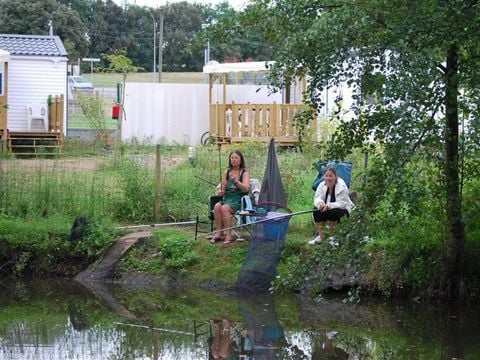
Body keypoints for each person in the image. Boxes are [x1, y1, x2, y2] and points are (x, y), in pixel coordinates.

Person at [211, 150, 250, 245]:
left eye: (236, 158)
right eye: (232, 158)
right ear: (230, 159)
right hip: (227, 198)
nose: (234, 160)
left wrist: (236, 181)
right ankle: (219, 232)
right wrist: (221, 192)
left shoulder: (244, 173)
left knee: (224, 208)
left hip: (238, 200)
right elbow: (223, 188)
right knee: (216, 206)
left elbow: (246, 189)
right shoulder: (226, 172)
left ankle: (229, 234)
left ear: (241, 160)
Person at [309, 166, 354, 245]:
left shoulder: (341, 186)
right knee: (316, 211)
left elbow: (342, 203)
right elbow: (317, 197)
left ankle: (332, 237)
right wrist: (320, 203)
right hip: (327, 208)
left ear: (335, 177)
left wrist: (329, 206)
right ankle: (321, 236)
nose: (328, 178)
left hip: (343, 209)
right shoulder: (322, 185)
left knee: (333, 213)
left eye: (331, 176)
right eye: (326, 176)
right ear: (324, 177)